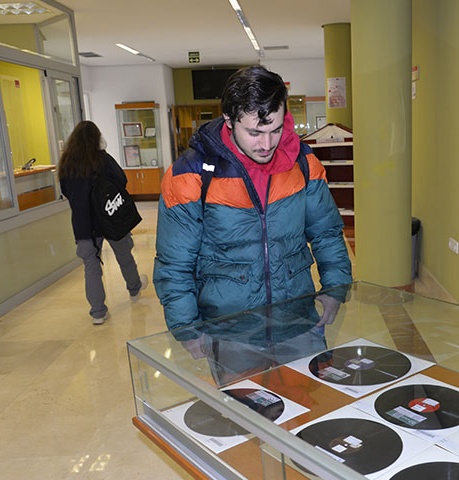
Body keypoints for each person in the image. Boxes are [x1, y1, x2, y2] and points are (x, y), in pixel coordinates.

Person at [153, 65, 353, 355]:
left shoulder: (304, 164)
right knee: (242, 402)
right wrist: (186, 329)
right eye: (255, 133)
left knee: (311, 399)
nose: (267, 144)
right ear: (229, 120)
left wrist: (335, 288)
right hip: (230, 331)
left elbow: (327, 233)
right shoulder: (190, 174)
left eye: (275, 129)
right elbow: (174, 263)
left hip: (297, 321)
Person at [59, 120, 148, 325]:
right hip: (111, 217)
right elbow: (122, 180)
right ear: (96, 138)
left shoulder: (67, 164)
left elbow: (66, 191)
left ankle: (98, 312)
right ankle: (134, 289)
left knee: (91, 266)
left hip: (83, 225)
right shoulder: (102, 159)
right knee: (124, 253)